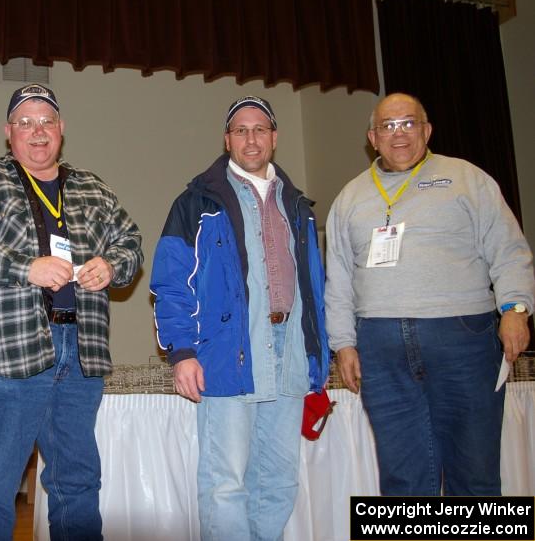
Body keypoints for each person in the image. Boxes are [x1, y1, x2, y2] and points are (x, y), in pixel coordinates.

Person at [0, 84, 143, 541]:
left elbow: (131, 242)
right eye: (25, 122)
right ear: (7, 131)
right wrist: (24, 268)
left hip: (82, 351)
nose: (38, 132)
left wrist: (111, 265)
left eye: (47, 121)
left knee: (78, 481)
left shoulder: (92, 187)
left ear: (61, 130)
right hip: (8, 355)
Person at [325, 92, 534, 495]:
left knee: (474, 475)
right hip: (380, 347)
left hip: (464, 339)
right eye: (388, 125)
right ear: (372, 136)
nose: (398, 133)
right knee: (403, 481)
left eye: (409, 123)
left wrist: (516, 308)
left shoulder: (467, 178)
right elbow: (338, 279)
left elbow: (508, 249)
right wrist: (343, 344)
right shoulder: (349, 198)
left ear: (427, 130)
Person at [150, 95, 329, 541]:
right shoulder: (195, 203)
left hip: (289, 352)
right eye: (241, 130)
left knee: (279, 479)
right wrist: (182, 352)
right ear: (227, 139)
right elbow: (171, 283)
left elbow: (318, 289)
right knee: (225, 483)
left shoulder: (300, 206)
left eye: (261, 129)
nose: (252, 139)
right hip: (227, 354)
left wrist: (318, 353)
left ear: (275, 137)